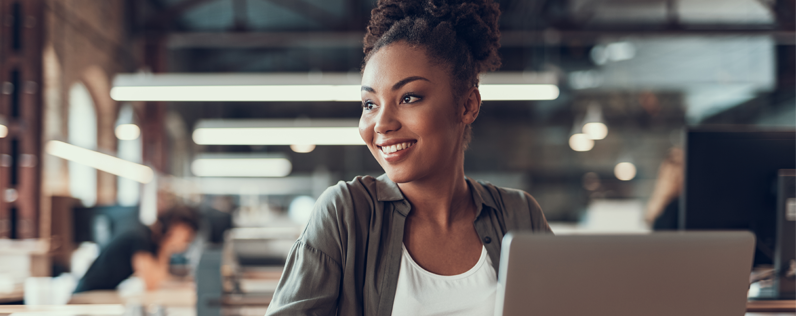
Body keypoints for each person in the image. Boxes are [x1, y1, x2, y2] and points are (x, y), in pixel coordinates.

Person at [266, 0, 551, 315]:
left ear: (468, 105)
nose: (383, 124)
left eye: (409, 98)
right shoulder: (346, 213)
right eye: (369, 104)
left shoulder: (519, 215)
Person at [73, 205, 200, 293]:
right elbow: (152, 283)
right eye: (187, 235)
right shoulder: (140, 237)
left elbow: (161, 278)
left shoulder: (151, 241)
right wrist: (167, 248)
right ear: (176, 226)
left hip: (100, 295)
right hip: (85, 296)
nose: (187, 242)